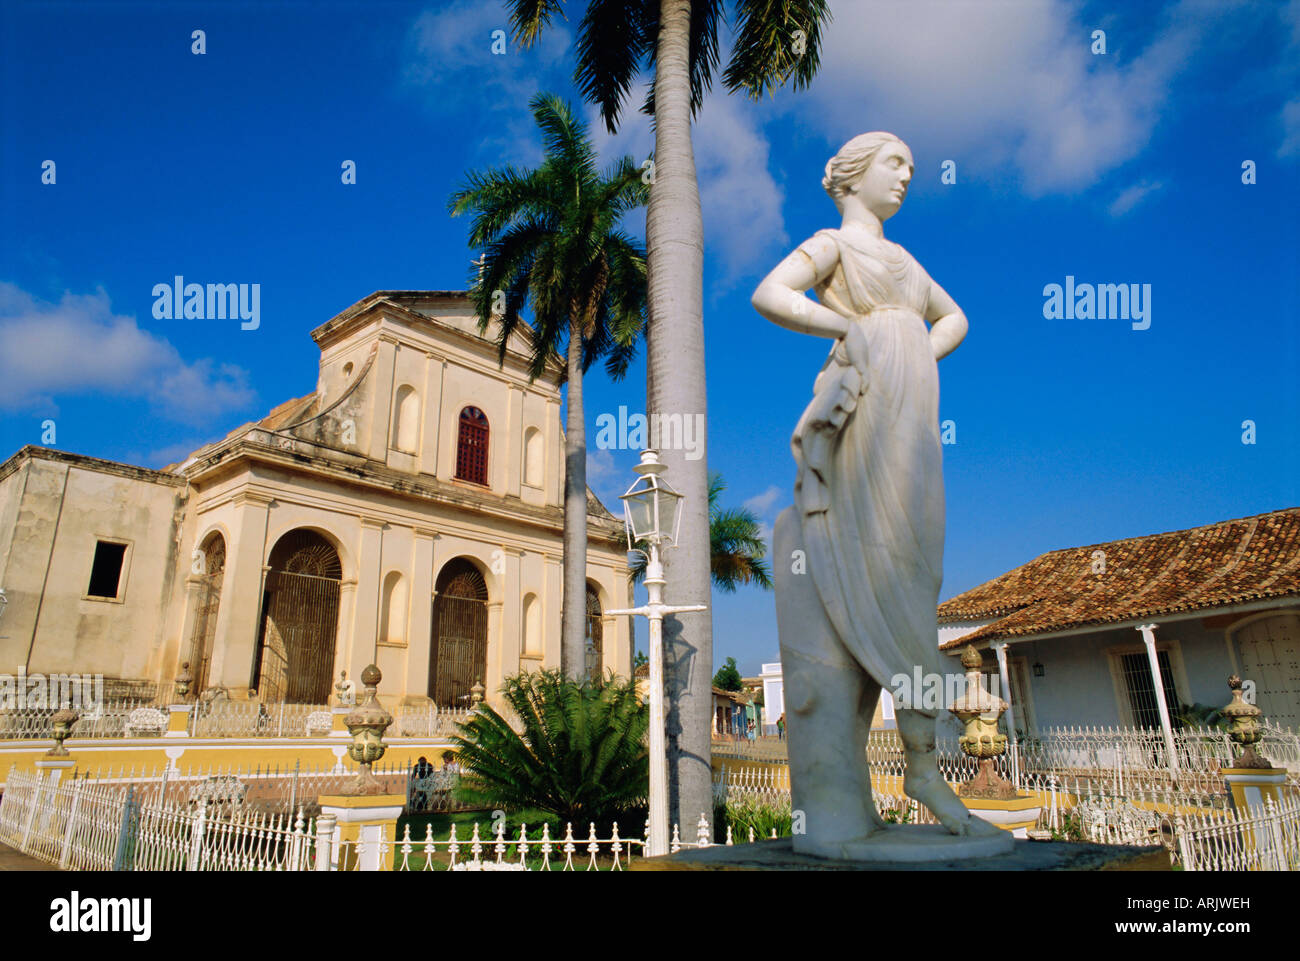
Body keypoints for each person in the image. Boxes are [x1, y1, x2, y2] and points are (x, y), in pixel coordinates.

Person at [752, 131, 999, 857]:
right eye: (895, 165)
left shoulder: (907, 262)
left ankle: (923, 764)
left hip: (913, 418)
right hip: (863, 412)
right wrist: (853, 329)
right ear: (855, 174)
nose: (907, 178)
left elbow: (955, 317)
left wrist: (917, 345)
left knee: (915, 570)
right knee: (867, 553)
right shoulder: (835, 244)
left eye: (914, 169)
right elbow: (771, 293)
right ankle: (896, 775)